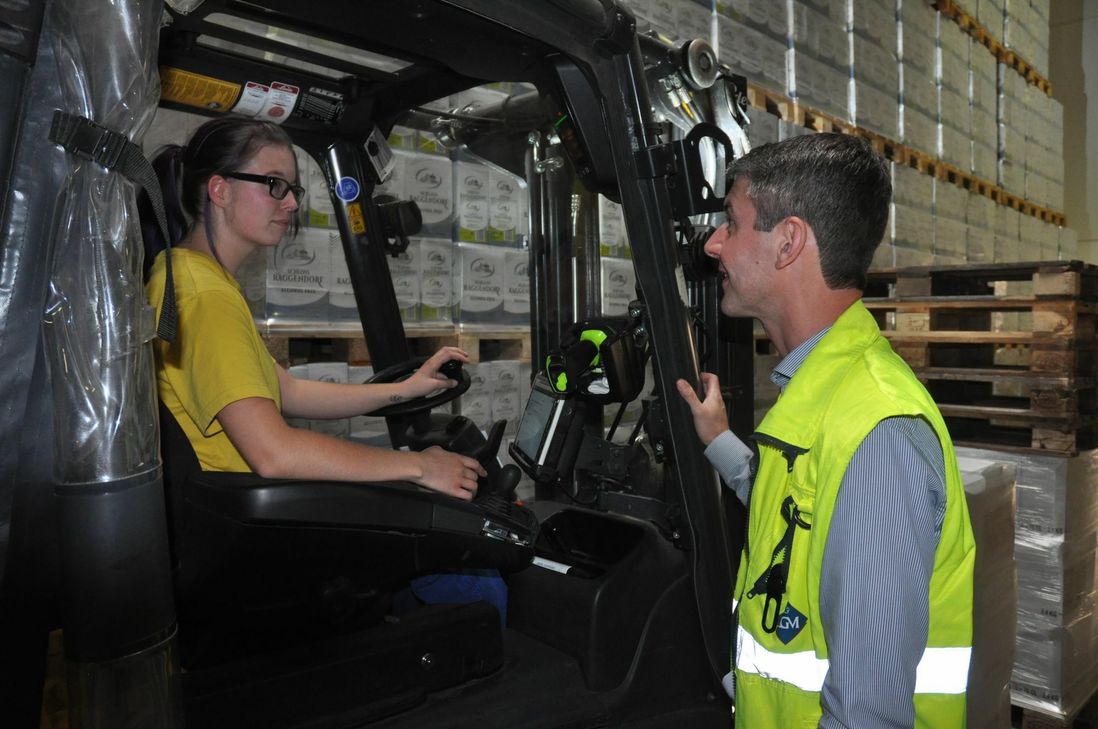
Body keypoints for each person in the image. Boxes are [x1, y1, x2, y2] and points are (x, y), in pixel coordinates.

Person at [675, 133, 975, 728]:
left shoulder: (876, 433)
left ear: (788, 242)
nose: (713, 244)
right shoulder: (826, 393)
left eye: (731, 224)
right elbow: (796, 513)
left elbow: (868, 717)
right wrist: (719, 442)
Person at [145, 116, 486, 499]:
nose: (291, 202)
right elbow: (274, 453)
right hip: (247, 518)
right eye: (275, 184)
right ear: (220, 190)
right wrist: (421, 466)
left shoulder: (191, 275)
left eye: (294, 189)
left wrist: (404, 390)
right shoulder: (205, 296)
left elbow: (287, 391)